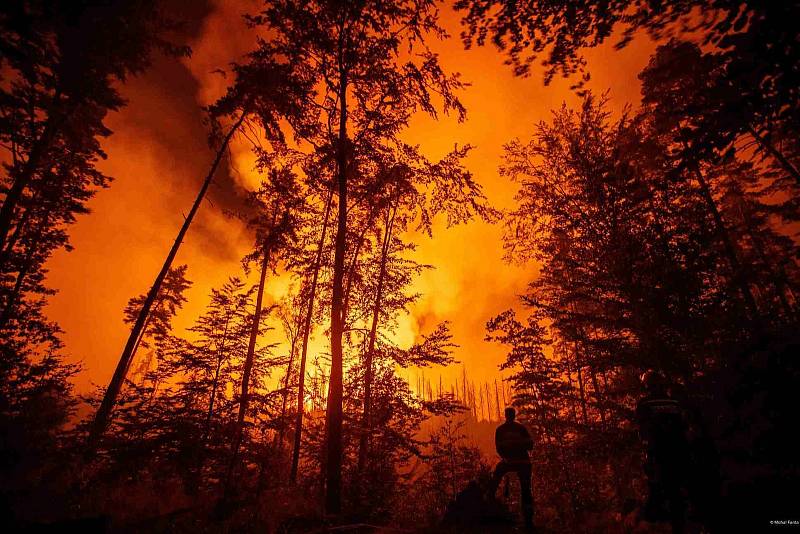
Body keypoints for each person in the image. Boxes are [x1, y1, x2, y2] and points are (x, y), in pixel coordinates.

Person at [636, 370, 690, 534]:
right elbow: (683, 426)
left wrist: (647, 453)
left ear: (647, 386)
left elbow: (642, 432)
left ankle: (657, 523)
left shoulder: (644, 404)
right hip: (679, 452)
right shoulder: (674, 402)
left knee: (659, 489)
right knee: (676, 491)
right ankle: (680, 523)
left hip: (658, 453)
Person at [488, 407, 534, 529]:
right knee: (526, 491)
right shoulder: (521, 429)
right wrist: (518, 445)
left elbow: (499, 449)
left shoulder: (501, 430)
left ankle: (489, 501)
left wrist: (507, 455)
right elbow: (530, 445)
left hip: (511, 462)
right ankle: (528, 521)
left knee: (495, 479)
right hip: (523, 462)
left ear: (506, 415)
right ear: (514, 415)